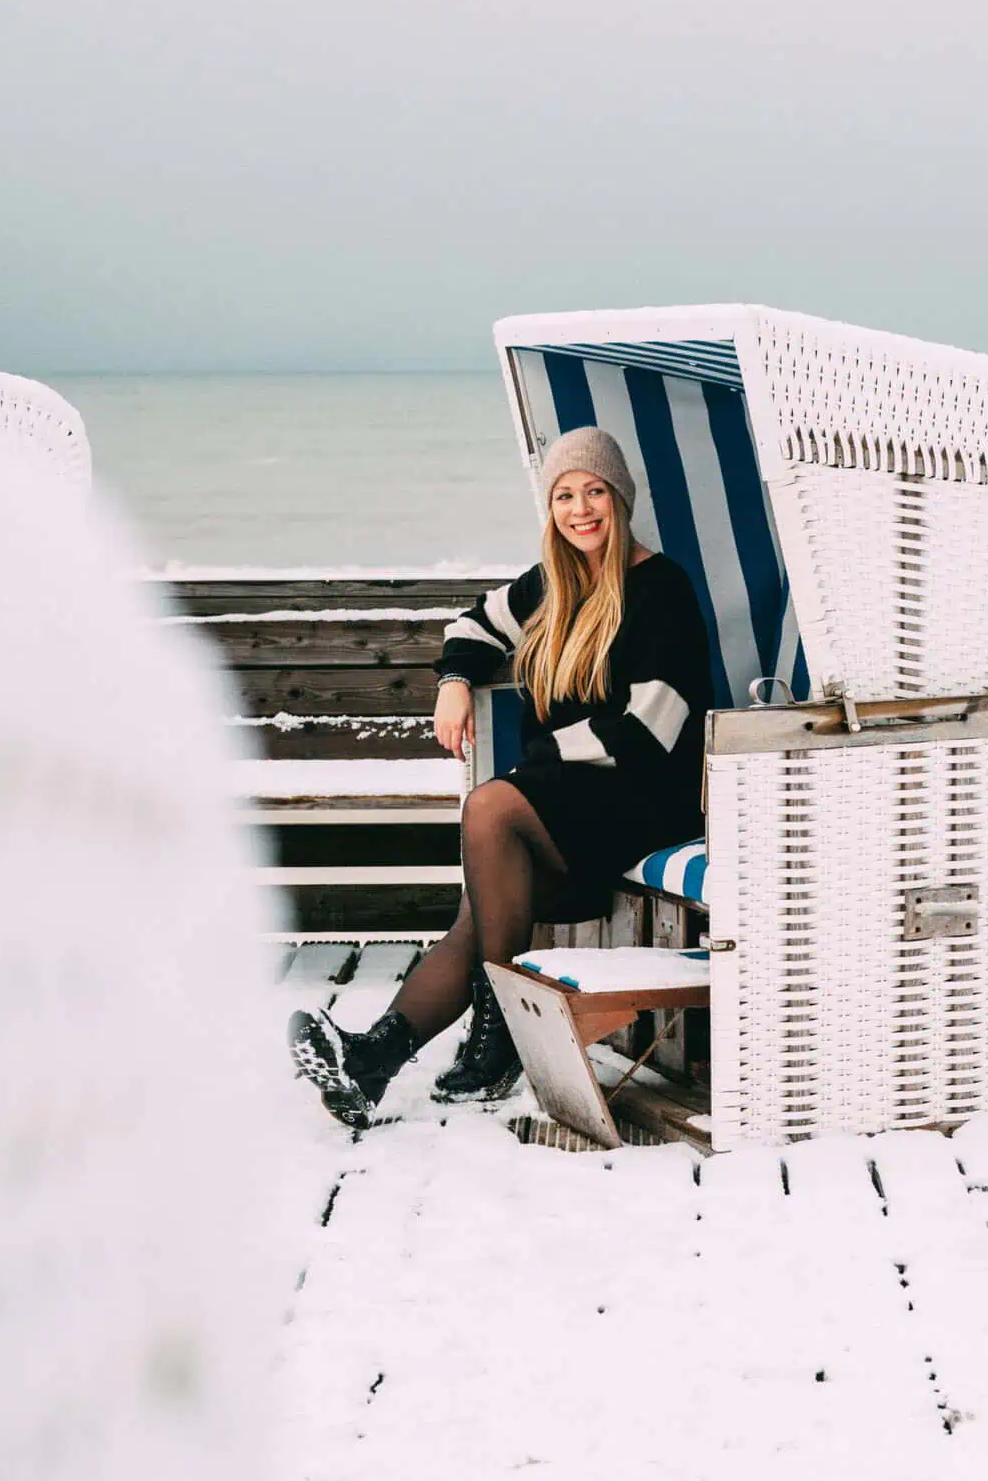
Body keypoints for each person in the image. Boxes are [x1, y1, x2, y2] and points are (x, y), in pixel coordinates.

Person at [288, 427, 713, 1127]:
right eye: (564, 496)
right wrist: (454, 681)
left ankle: (499, 1044)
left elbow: (650, 729)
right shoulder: (554, 583)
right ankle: (372, 1063)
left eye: (594, 492)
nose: (580, 510)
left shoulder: (662, 588)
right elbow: (474, 624)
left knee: (492, 808)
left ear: (621, 498)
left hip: (644, 801)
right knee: (480, 911)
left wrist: (540, 764)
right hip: (571, 808)